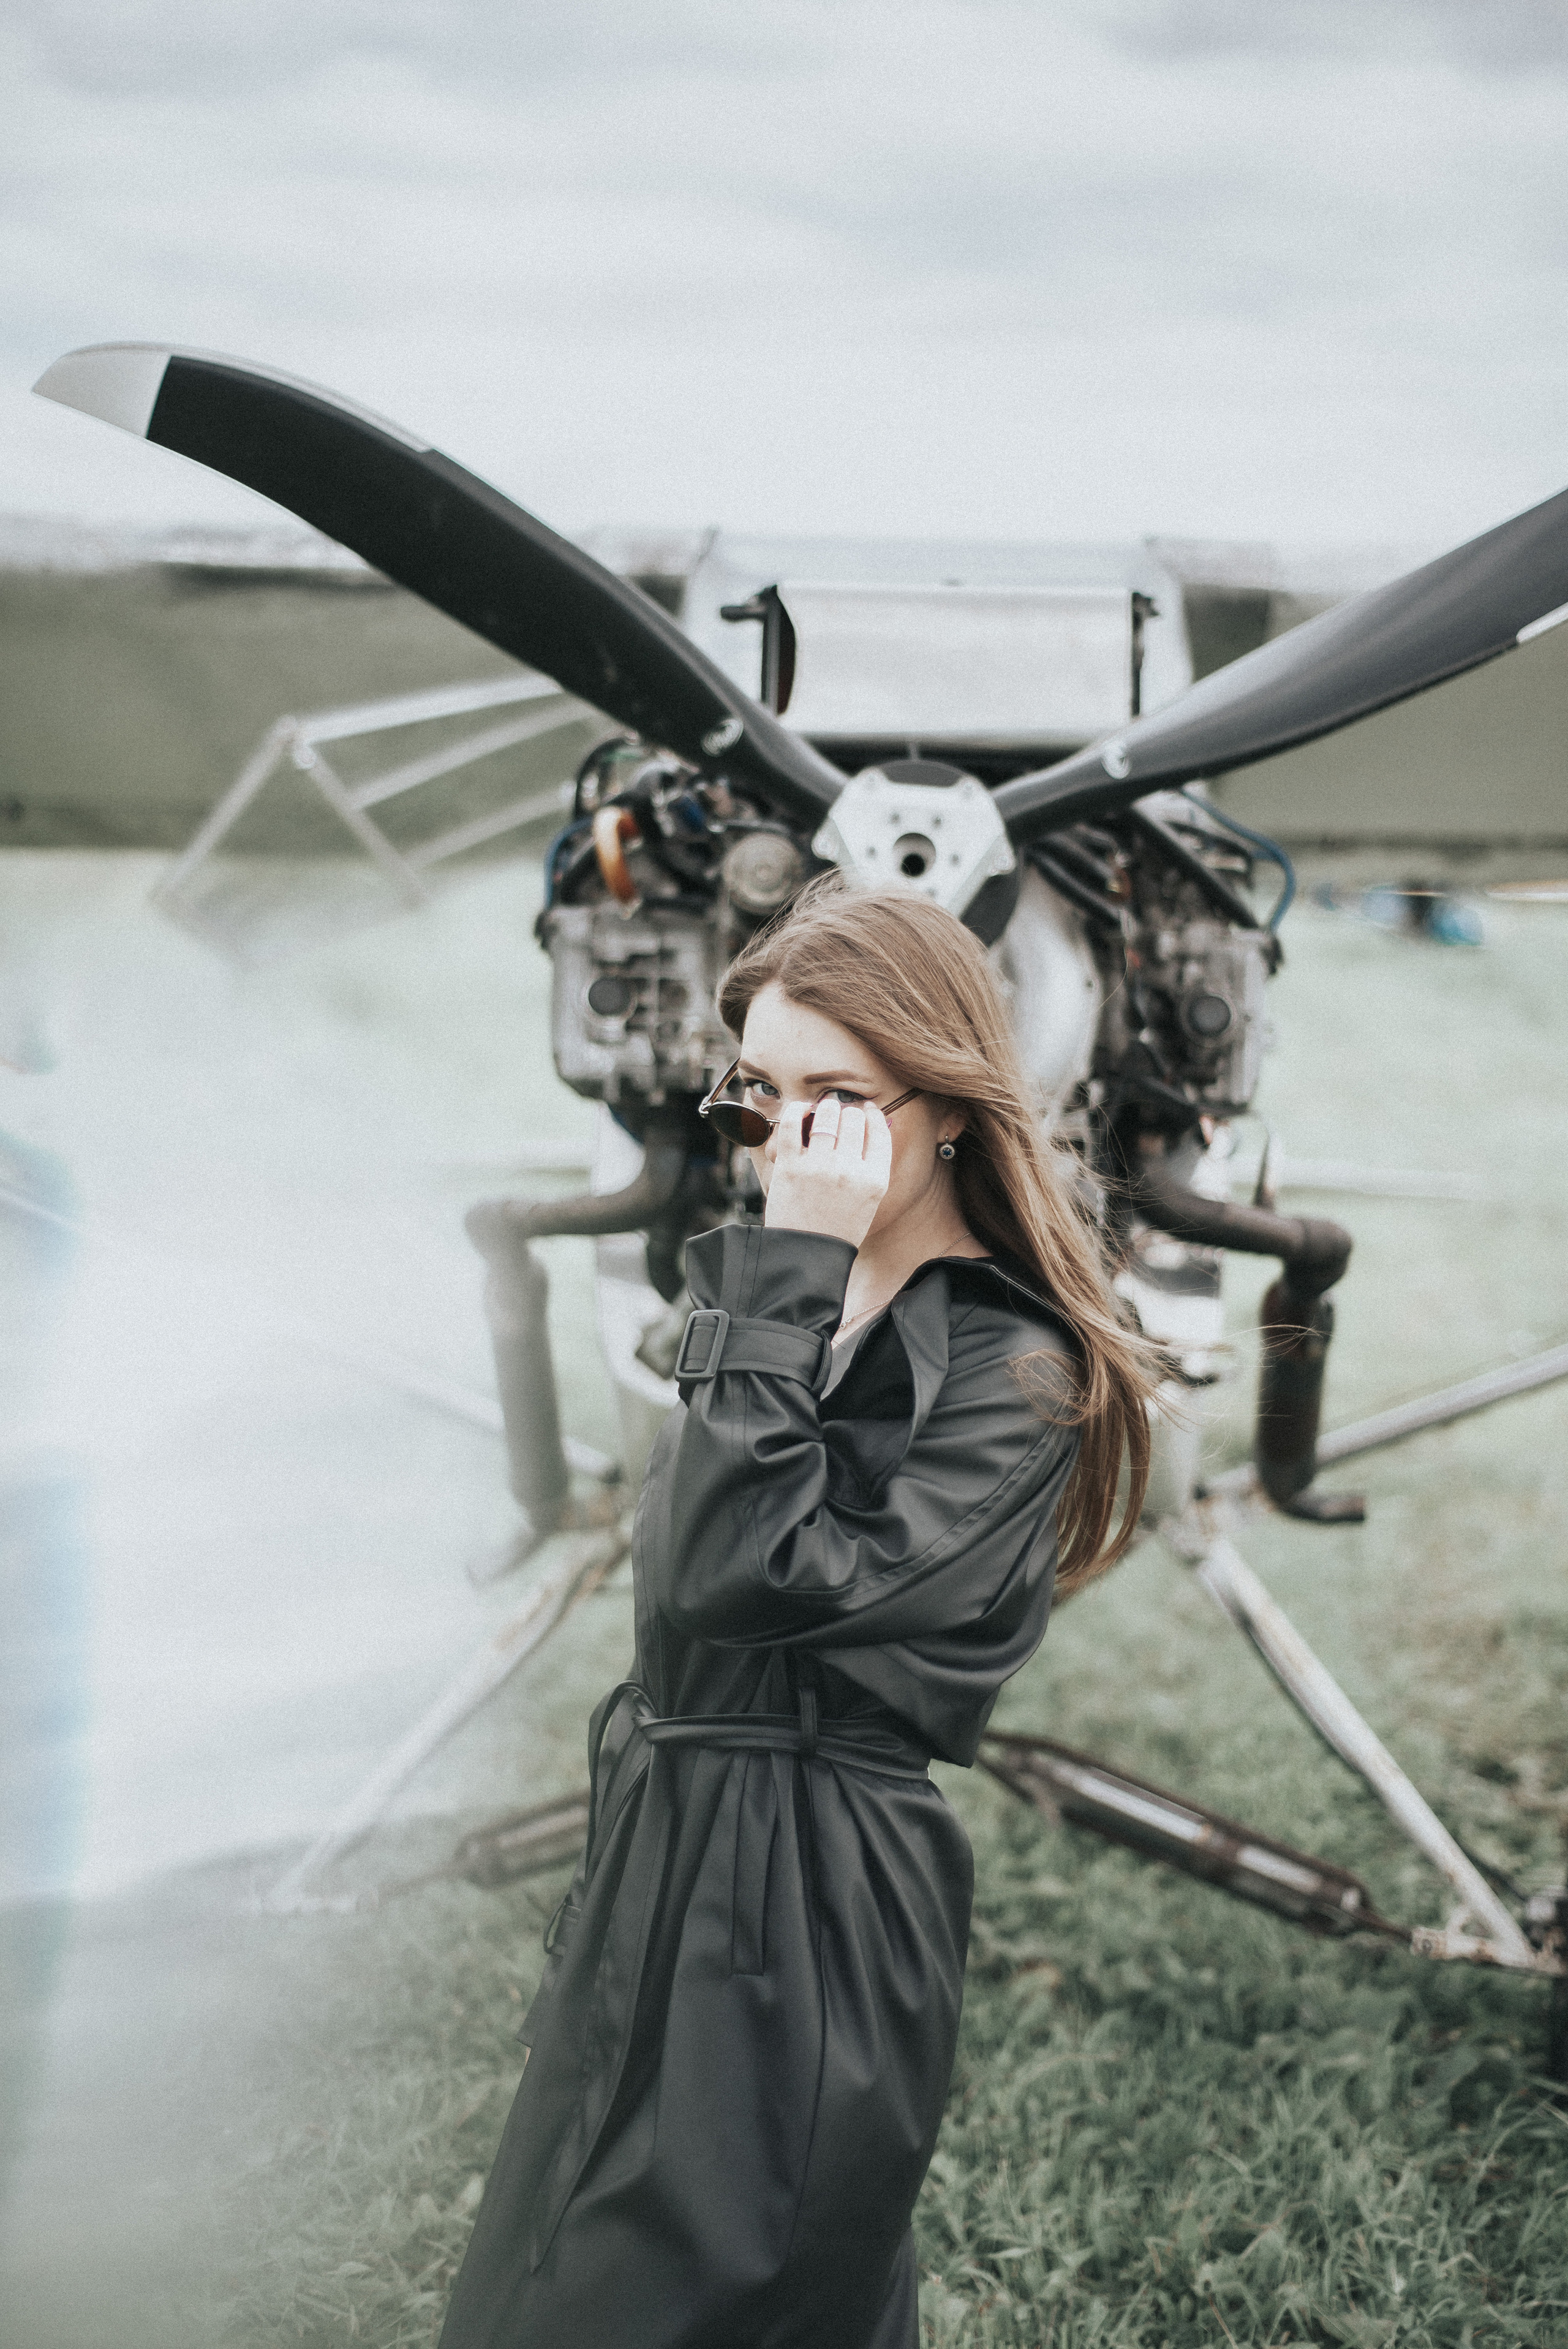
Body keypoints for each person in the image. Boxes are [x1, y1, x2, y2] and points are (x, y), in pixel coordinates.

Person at [439, 880, 1155, 2349]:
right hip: (674, 1839)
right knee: (558, 2250)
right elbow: (683, 1554)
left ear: (945, 1104)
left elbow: (740, 1573)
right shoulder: (781, 1298)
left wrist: (787, 1271)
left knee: (707, 2286)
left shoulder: (1009, 1373)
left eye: (839, 1100)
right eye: (761, 1098)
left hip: (810, 1897)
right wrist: (786, 1287)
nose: (789, 1146)